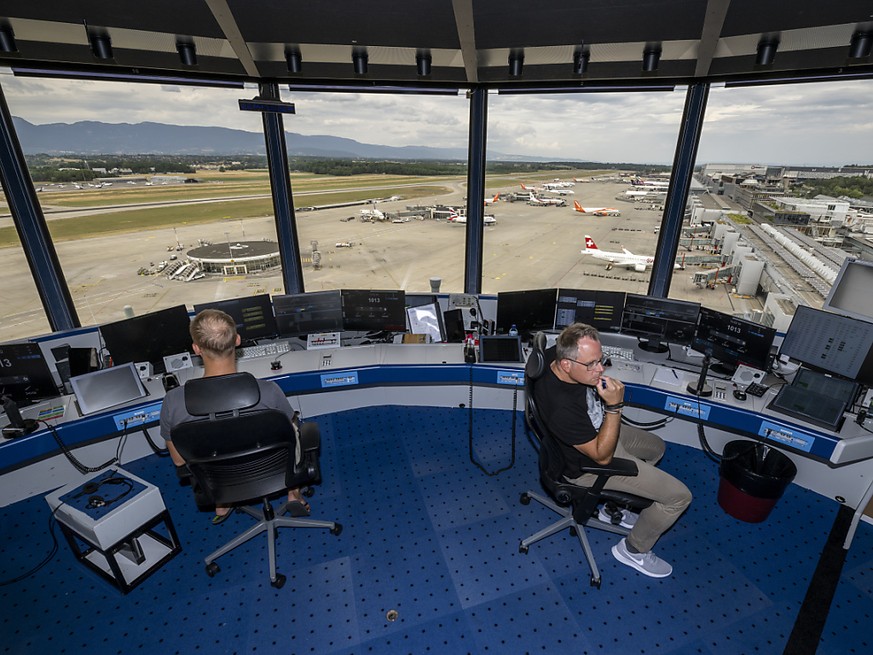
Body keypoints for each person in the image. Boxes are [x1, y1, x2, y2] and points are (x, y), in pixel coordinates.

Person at [534, 322, 692, 578]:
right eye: (592, 364)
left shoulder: (557, 354)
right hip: (590, 462)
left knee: (655, 448)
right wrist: (614, 406)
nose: (601, 369)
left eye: (601, 360)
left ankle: (612, 509)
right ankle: (633, 550)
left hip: (593, 430)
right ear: (567, 365)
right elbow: (603, 456)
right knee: (679, 497)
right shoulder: (562, 408)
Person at [160, 309, 310, 524]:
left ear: (196, 349)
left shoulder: (173, 401)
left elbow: (178, 459)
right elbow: (289, 433)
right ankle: (293, 493)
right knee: (293, 426)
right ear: (237, 340)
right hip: (273, 471)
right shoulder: (268, 390)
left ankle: (222, 502)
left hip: (219, 479)